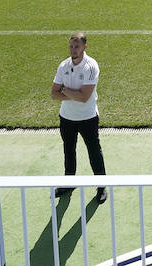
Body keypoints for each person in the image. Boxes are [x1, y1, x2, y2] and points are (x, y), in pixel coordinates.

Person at [51, 32, 107, 202]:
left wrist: (65, 91)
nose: (73, 50)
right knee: (68, 150)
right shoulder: (63, 66)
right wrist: (74, 94)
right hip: (67, 118)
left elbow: (84, 98)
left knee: (94, 152)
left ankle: (102, 185)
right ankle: (69, 182)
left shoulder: (91, 66)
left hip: (88, 118)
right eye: (71, 46)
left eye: (76, 47)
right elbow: (54, 94)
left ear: (84, 47)